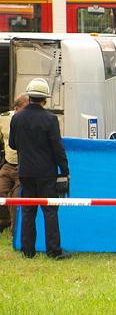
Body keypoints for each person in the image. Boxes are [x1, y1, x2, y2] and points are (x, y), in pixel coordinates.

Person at [9, 79, 69, 259]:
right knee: (50, 211)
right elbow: (58, 148)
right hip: (46, 174)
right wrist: (65, 170)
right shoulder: (50, 119)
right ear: (45, 99)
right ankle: (53, 251)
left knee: (28, 211)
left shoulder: (17, 118)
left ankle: (28, 251)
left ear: (29, 95)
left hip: (25, 172)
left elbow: (12, 144)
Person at [0, 94, 26, 236]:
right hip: (7, 164)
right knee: (1, 192)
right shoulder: (3, 118)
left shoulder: (30, 121)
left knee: (16, 200)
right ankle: (4, 222)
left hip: (22, 166)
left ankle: (14, 232)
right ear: (16, 108)